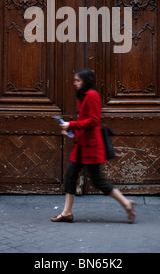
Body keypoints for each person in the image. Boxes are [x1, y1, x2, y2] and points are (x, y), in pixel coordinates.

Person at [51, 68, 135, 224]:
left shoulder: (92, 96)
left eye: (78, 80)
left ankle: (126, 203)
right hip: (82, 145)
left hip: (91, 146)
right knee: (70, 176)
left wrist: (71, 125)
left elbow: (93, 121)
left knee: (98, 181)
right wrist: (72, 131)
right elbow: (85, 122)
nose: (74, 83)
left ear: (86, 81)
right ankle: (67, 212)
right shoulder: (82, 96)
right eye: (75, 80)